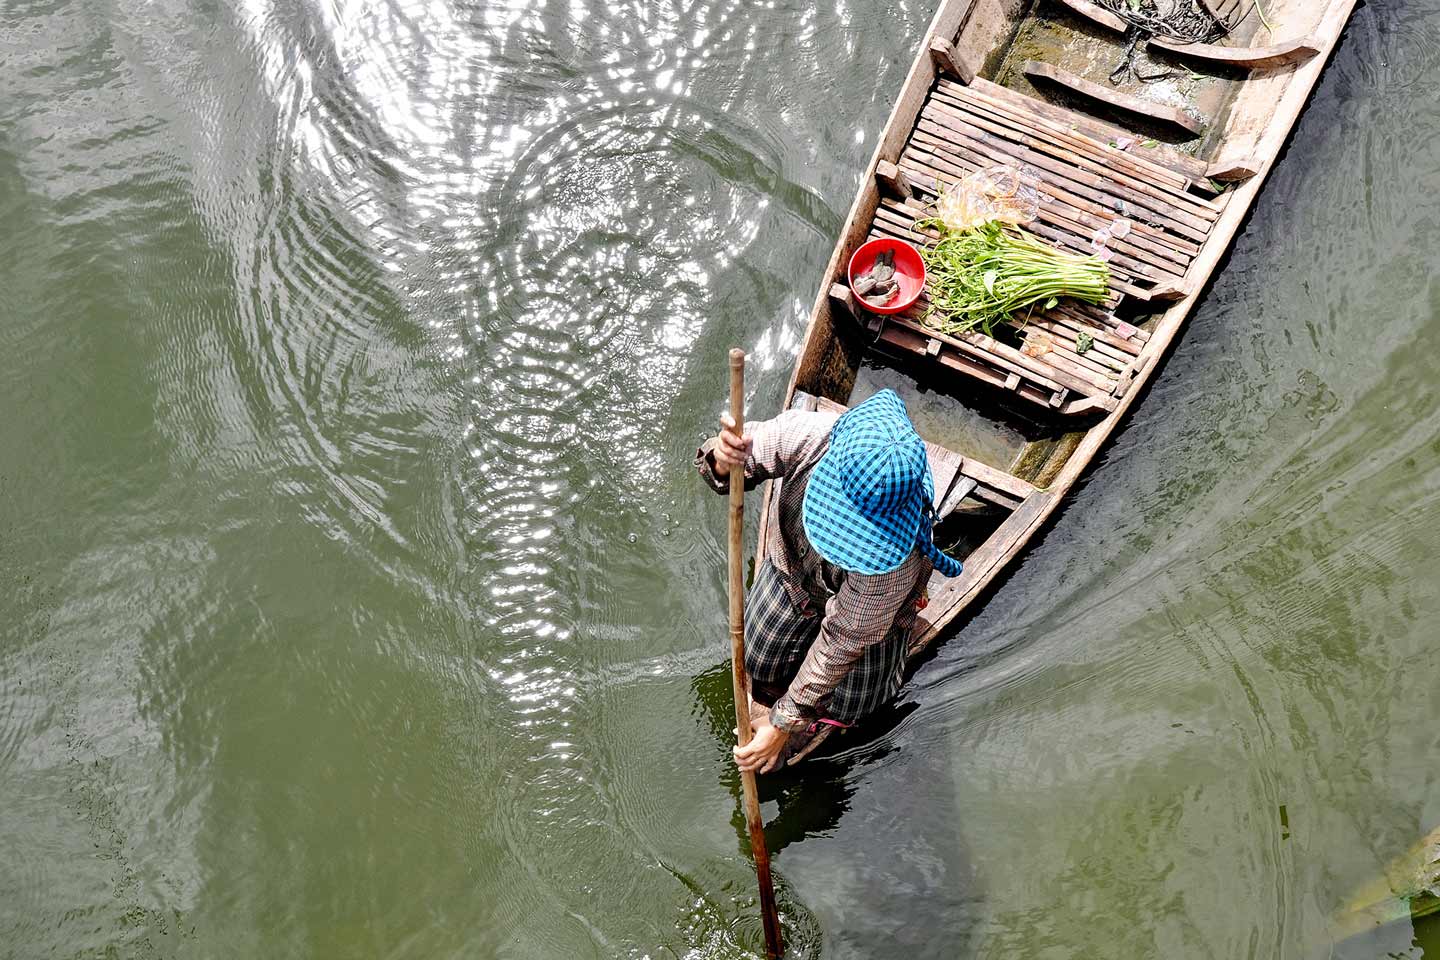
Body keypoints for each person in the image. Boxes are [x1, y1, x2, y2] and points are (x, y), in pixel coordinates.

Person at [696, 389, 963, 773]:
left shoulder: (895, 564)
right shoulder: (807, 435)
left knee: (855, 701)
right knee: (756, 659)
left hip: (868, 628)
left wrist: (783, 723)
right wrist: (724, 460)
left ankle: (819, 712)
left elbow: (843, 639)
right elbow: (740, 458)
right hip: (795, 580)